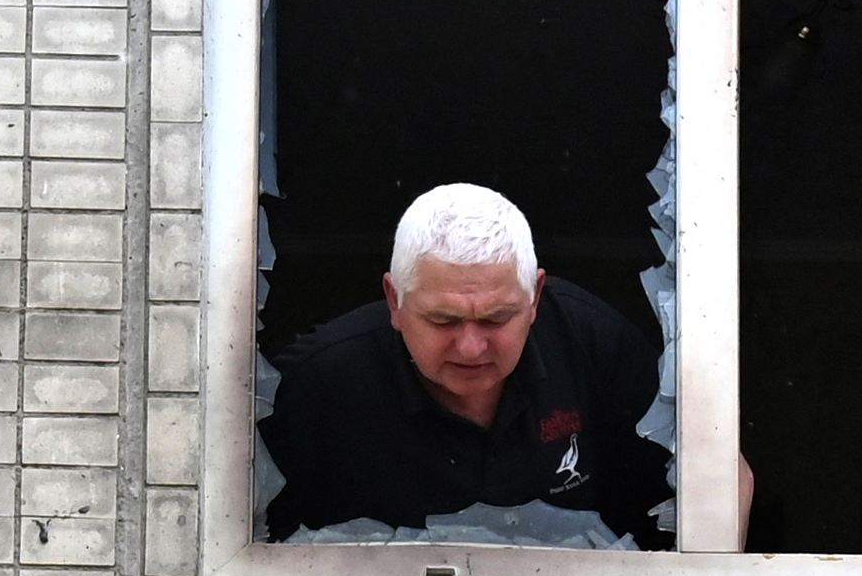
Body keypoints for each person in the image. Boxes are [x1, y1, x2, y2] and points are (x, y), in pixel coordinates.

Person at [258, 185, 674, 543]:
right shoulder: (317, 384)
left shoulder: (596, 344)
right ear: (394, 301)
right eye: (443, 320)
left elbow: (710, 490)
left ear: (535, 297)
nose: (472, 347)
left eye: (497, 318)